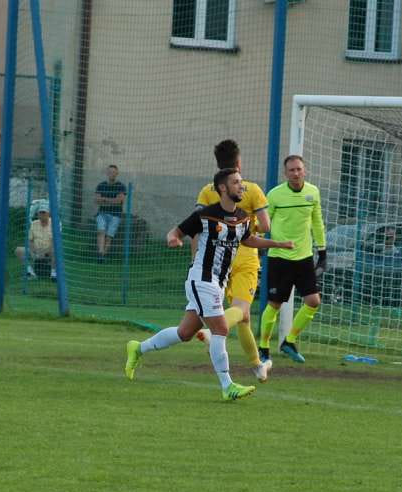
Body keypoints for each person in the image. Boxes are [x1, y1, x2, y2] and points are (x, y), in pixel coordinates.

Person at [124, 168, 293, 401]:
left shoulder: (243, 216)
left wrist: (278, 244)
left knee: (185, 332)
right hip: (202, 279)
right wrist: (173, 239)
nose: (241, 186)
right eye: (236, 183)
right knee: (221, 329)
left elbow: (248, 239)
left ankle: (138, 348)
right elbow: (176, 231)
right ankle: (227, 385)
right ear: (223, 188)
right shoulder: (205, 216)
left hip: (217, 282)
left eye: (241, 182)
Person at [193, 140, 273, 383]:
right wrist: (247, 226)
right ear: (238, 163)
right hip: (245, 257)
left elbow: (197, 228)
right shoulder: (251, 189)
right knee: (241, 311)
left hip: (217, 259)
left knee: (244, 317)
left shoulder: (209, 190)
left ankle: (258, 365)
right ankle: (210, 331)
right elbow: (266, 226)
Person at [257, 155, 326, 364]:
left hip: (304, 257)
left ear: (304, 170)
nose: (296, 173)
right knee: (274, 304)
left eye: (299, 169)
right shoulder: (275, 195)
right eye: (291, 170)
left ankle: (290, 340)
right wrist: (259, 249)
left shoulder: (313, 192)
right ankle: (264, 347)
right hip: (280, 257)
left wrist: (322, 252)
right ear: (285, 174)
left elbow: (317, 221)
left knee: (313, 301)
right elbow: (263, 224)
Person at [15, 201, 56, 279]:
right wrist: (34, 252)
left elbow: (55, 242)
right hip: (36, 250)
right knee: (19, 250)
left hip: (49, 250)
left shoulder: (54, 223)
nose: (41, 215)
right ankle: (30, 272)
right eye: (40, 213)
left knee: (55, 251)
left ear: (49, 214)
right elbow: (30, 241)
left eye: (44, 212)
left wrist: (45, 252)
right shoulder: (34, 224)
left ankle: (53, 273)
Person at [94, 164, 126, 263]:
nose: (111, 174)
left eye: (114, 172)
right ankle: (100, 254)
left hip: (116, 214)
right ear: (107, 173)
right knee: (101, 231)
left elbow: (120, 201)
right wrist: (112, 200)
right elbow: (97, 200)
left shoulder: (121, 186)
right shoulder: (101, 185)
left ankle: (103, 256)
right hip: (102, 213)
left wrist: (104, 199)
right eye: (110, 172)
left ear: (117, 173)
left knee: (109, 236)